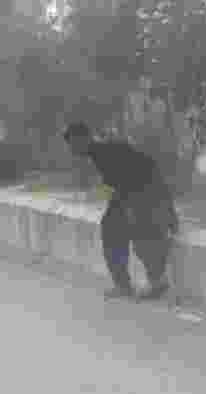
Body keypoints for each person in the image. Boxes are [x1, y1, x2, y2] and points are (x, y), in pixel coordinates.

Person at [63, 121, 179, 300]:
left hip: (145, 189)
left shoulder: (104, 152)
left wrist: (136, 207)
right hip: (135, 190)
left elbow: (135, 175)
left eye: (72, 144)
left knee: (140, 231)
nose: (71, 150)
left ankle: (156, 282)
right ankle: (123, 284)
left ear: (83, 138)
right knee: (111, 227)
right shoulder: (98, 152)